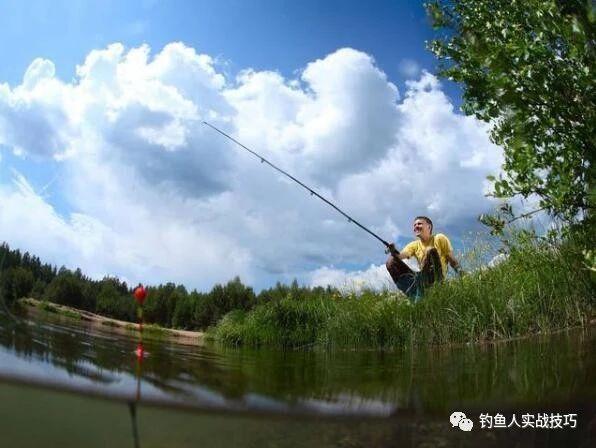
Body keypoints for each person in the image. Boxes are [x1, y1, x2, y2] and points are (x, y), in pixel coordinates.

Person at [385, 216, 462, 300]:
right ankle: (412, 293)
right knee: (391, 261)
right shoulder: (414, 245)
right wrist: (393, 251)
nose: (416, 226)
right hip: (421, 278)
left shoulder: (439, 238)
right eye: (414, 225)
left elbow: (452, 261)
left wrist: (462, 275)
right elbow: (400, 256)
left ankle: (423, 292)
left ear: (429, 226)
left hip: (437, 278)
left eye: (419, 224)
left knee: (430, 251)